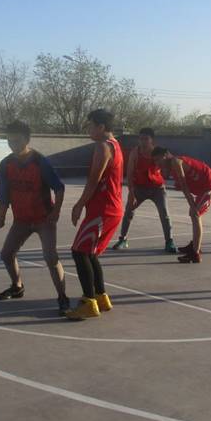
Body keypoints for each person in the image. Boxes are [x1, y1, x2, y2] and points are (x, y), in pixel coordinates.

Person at [0, 120, 70, 315]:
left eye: (16, 141)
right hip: (21, 220)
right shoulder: (6, 164)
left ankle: (63, 297)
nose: (13, 145)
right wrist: (1, 219)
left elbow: (59, 188)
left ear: (27, 139)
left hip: (43, 219)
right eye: (9, 142)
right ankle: (17, 286)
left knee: (51, 257)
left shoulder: (40, 162)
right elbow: (4, 195)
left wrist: (56, 212)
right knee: (6, 254)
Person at [65, 109, 124, 320]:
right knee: (89, 254)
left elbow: (94, 180)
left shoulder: (102, 147)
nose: (88, 129)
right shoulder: (115, 145)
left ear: (101, 127)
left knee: (79, 252)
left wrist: (79, 205)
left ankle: (88, 302)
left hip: (103, 209)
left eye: (90, 125)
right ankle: (101, 297)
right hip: (111, 208)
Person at [111, 127, 175, 253]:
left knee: (164, 214)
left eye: (146, 139)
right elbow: (129, 173)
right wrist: (131, 193)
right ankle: (123, 239)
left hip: (157, 188)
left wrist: (168, 164)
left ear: (152, 140)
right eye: (141, 139)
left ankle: (169, 241)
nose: (143, 142)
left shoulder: (158, 152)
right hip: (139, 188)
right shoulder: (135, 153)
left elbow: (170, 164)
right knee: (129, 212)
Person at [151, 148, 211, 263]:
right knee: (193, 214)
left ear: (166, 155)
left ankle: (195, 254)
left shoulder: (175, 162)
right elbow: (184, 182)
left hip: (210, 187)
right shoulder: (171, 166)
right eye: (155, 161)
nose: (157, 163)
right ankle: (194, 244)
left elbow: (184, 185)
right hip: (202, 188)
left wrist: (192, 205)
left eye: (158, 159)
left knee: (195, 214)